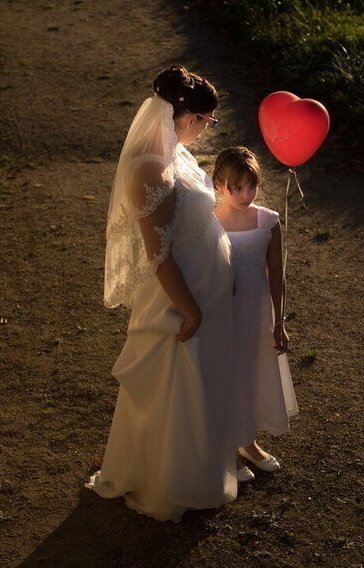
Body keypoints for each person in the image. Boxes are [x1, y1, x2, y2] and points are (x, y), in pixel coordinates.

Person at [86, 65, 237, 522]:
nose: (209, 128)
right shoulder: (150, 168)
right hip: (178, 297)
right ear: (185, 115)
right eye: (207, 120)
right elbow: (157, 255)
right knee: (178, 387)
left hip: (202, 288)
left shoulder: (178, 154)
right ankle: (168, 483)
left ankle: (198, 470)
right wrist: (188, 309)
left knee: (202, 385)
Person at [210, 146, 298, 482]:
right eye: (237, 187)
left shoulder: (268, 221)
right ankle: (222, 447)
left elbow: (276, 272)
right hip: (224, 313)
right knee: (225, 374)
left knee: (249, 372)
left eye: (252, 186)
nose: (246, 194)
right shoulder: (210, 223)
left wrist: (279, 320)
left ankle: (246, 441)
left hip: (257, 311)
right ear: (220, 184)